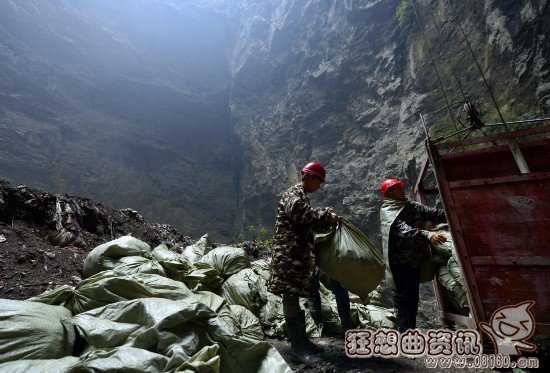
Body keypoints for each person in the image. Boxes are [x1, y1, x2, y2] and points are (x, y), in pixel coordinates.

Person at [268, 162, 340, 365]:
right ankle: (298, 347)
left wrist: (326, 217)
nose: (319, 186)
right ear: (309, 177)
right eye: (318, 181)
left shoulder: (302, 197)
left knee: (294, 297)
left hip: (296, 257)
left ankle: (303, 341)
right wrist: (325, 215)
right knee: (290, 297)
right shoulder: (294, 194)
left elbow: (307, 220)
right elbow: (301, 215)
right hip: (289, 256)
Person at [379, 178, 447, 333]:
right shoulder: (388, 211)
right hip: (399, 263)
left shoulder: (411, 206)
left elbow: (432, 214)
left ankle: (411, 332)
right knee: (402, 298)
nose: (402, 191)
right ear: (390, 193)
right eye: (398, 189)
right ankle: (404, 334)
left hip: (414, 261)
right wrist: (428, 235)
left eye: (401, 188)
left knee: (413, 298)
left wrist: (451, 211)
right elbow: (402, 230)